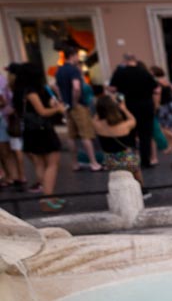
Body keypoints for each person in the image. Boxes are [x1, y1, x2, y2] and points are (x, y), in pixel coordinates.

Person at [15, 62, 65, 211]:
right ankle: (47, 198)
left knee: (40, 164)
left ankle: (48, 196)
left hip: (32, 131)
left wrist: (51, 103)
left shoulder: (22, 90)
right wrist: (57, 109)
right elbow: (42, 112)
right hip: (42, 131)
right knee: (52, 163)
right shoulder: (32, 91)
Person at [110, 53, 158, 168]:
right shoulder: (144, 72)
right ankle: (146, 161)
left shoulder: (120, 72)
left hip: (128, 107)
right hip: (146, 106)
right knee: (145, 135)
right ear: (135, 60)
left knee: (130, 134)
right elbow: (155, 88)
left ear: (125, 61)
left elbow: (112, 88)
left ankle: (132, 160)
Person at [56, 51, 101, 172]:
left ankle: (75, 163)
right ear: (72, 56)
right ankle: (93, 162)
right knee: (86, 134)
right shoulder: (73, 71)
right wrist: (74, 102)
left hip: (67, 106)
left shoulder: (60, 70)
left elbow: (56, 87)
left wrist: (64, 101)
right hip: (78, 107)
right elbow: (76, 88)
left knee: (71, 135)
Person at [93, 94, 145, 191]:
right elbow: (133, 120)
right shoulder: (124, 126)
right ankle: (142, 188)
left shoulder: (96, 124)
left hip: (109, 161)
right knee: (136, 169)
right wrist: (124, 108)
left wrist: (101, 107)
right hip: (126, 159)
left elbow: (96, 117)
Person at [0, 69, 26, 191]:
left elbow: (3, 101)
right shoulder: (6, 82)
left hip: (5, 120)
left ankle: (13, 175)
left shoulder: (3, 82)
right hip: (8, 119)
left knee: (8, 151)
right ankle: (16, 175)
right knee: (12, 149)